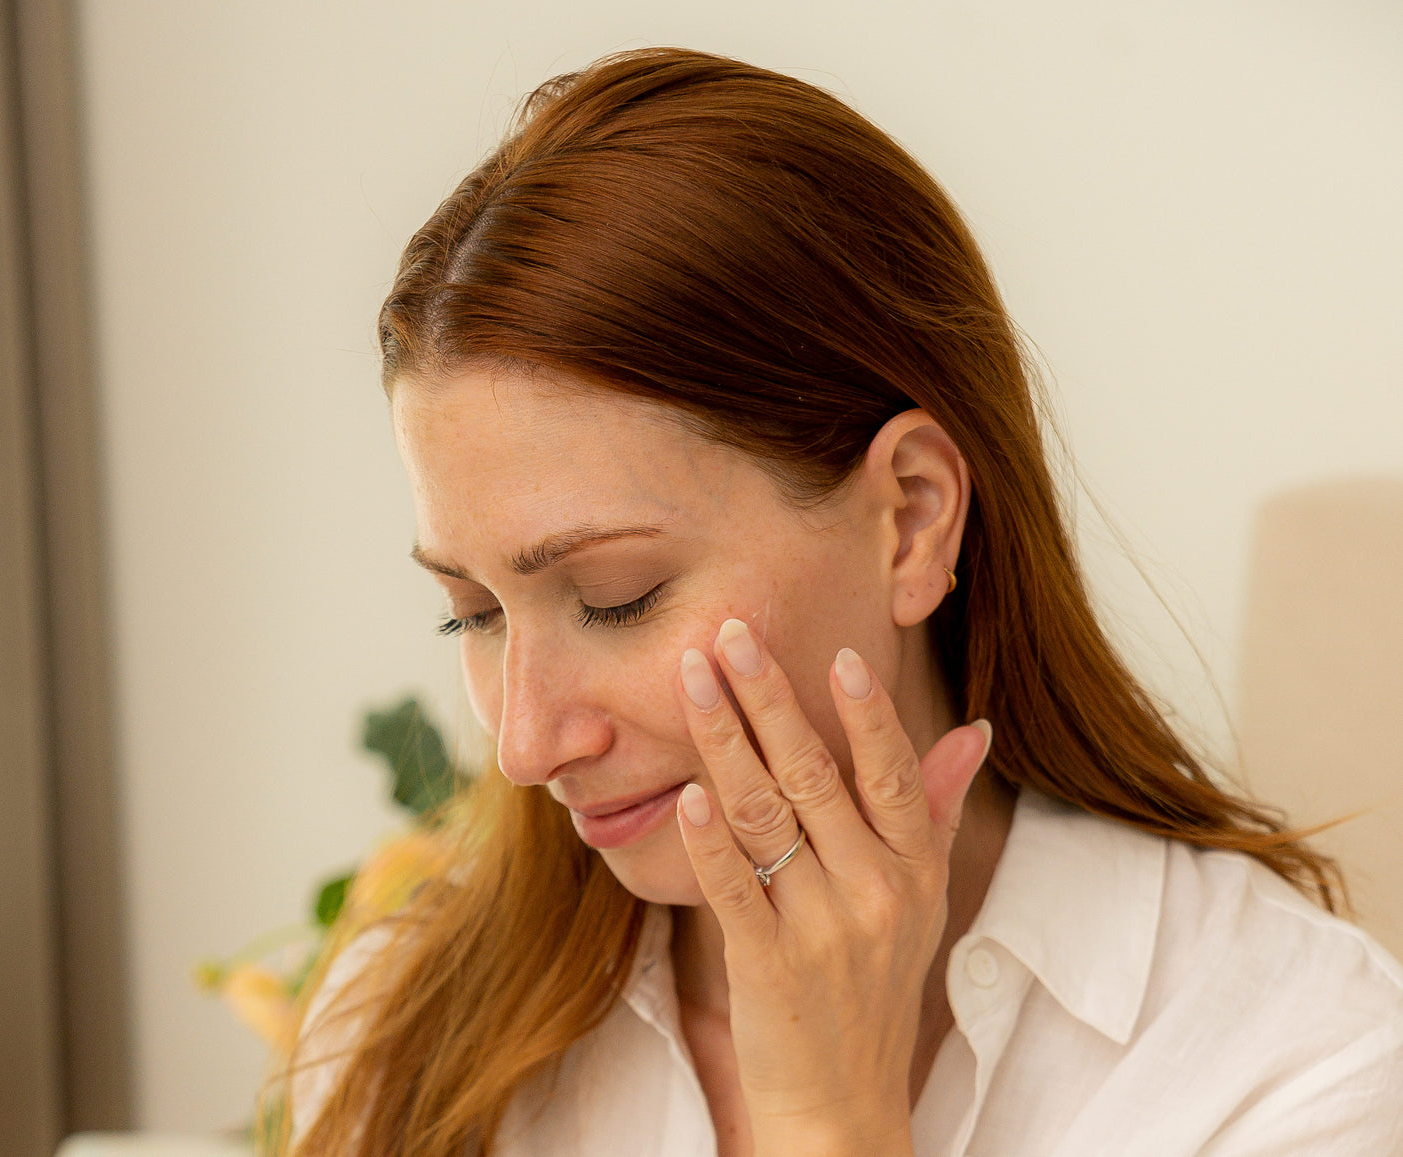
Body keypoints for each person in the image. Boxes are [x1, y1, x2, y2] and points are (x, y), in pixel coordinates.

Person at [279, 47, 1403, 1157]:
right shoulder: (400, 1031)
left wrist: (830, 1123)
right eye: (472, 612)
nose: (525, 743)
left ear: (910, 518)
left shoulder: (1295, 1061)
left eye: (617, 596)